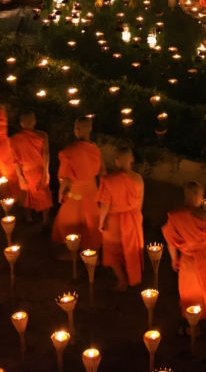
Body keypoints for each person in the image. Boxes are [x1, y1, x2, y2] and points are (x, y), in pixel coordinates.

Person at [163, 181, 206, 330]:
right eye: (201, 195)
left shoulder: (175, 215)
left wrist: (174, 259)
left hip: (187, 258)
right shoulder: (205, 215)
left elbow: (171, 241)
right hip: (205, 256)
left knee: (190, 291)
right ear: (195, 195)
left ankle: (194, 324)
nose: (202, 198)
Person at [52, 116, 104, 250]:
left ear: (78, 130)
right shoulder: (94, 149)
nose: (75, 130)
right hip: (91, 191)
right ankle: (93, 250)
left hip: (75, 193)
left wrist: (60, 192)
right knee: (91, 222)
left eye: (76, 128)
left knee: (68, 223)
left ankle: (74, 252)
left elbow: (65, 178)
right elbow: (100, 171)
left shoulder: (69, 151)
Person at [97, 145, 145, 290]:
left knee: (112, 250)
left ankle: (122, 280)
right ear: (131, 159)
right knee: (130, 248)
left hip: (115, 220)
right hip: (133, 218)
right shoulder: (138, 179)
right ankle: (132, 276)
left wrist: (100, 222)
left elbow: (104, 205)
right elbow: (140, 203)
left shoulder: (109, 180)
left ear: (117, 161)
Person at [10, 112, 53, 224]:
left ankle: (30, 218)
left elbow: (15, 160)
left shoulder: (15, 139)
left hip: (27, 171)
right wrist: (46, 172)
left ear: (21, 124)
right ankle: (44, 221)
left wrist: (20, 176)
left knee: (27, 195)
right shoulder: (42, 135)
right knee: (41, 195)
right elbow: (46, 154)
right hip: (38, 170)